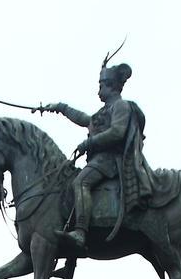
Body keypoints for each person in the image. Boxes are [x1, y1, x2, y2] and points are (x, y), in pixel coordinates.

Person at [42, 61, 155, 251]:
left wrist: (89, 143)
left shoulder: (121, 106)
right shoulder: (104, 111)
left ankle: (80, 232)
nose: (98, 91)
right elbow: (85, 119)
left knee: (80, 182)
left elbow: (117, 132)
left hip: (111, 160)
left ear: (112, 86)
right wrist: (61, 108)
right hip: (100, 160)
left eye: (101, 86)